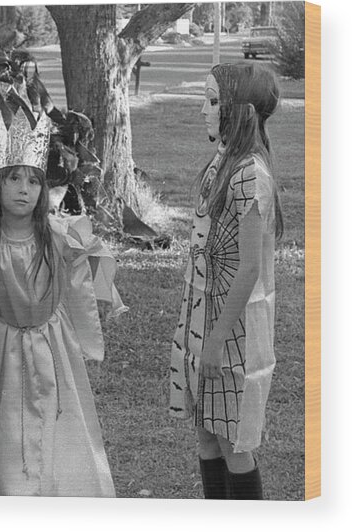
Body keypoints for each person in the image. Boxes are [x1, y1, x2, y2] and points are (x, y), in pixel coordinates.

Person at [0, 108, 126, 497]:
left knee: (56, 420)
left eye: (33, 182)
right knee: (4, 425)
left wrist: (108, 296)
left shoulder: (55, 237)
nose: (24, 189)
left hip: (49, 344)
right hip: (2, 344)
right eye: (13, 178)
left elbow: (88, 262)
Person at [169, 62, 284, 500]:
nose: (203, 110)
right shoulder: (222, 165)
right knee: (207, 435)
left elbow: (249, 268)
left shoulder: (249, 175)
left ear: (243, 113)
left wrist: (215, 339)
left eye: (213, 101)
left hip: (230, 332)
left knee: (234, 442)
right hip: (203, 321)